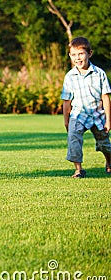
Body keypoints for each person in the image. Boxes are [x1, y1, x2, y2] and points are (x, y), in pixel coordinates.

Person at [61, 36, 111, 178]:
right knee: (73, 139)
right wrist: (67, 121)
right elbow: (66, 102)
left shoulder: (99, 74)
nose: (78, 58)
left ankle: (109, 162)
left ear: (89, 53)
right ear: (70, 56)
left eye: (81, 54)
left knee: (105, 144)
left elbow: (105, 97)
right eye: (74, 55)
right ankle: (78, 169)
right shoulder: (69, 77)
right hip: (78, 115)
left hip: (97, 114)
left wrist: (108, 120)